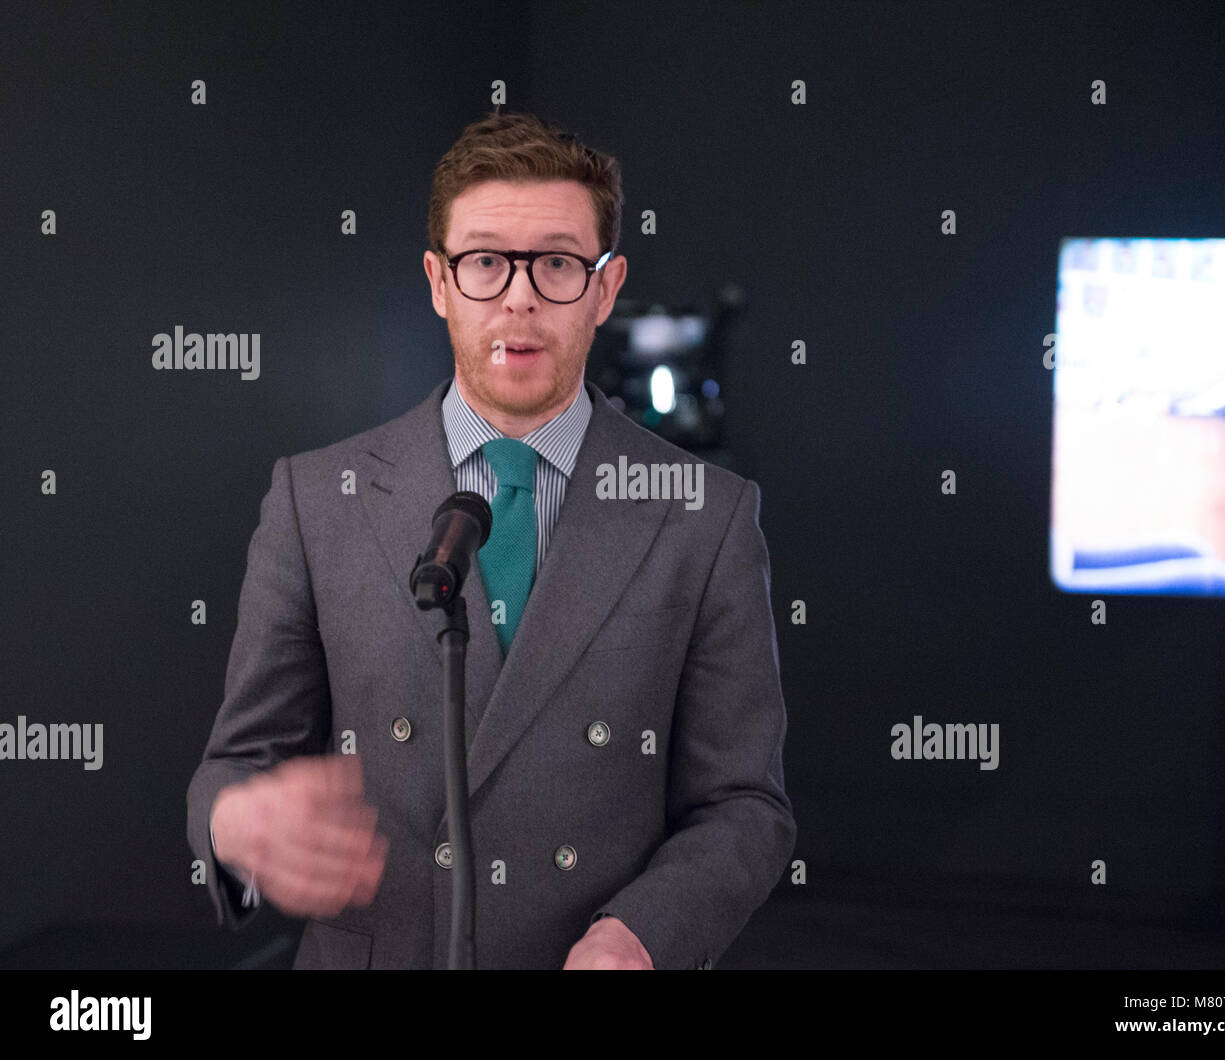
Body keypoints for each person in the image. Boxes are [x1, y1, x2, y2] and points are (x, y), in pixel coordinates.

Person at [186, 111, 796, 969]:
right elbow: (236, 764)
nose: (518, 296)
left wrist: (645, 935)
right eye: (484, 262)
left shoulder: (707, 514)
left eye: (555, 263)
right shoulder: (315, 499)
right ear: (439, 282)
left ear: (605, 287)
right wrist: (234, 822)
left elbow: (744, 805)